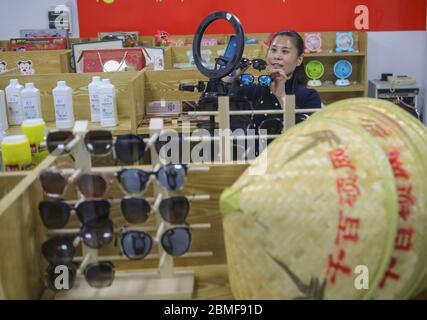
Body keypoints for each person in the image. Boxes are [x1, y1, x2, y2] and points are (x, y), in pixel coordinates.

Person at [225, 30, 322, 131]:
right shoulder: (250, 91)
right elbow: (228, 120)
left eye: (285, 51)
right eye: (273, 50)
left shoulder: (310, 96)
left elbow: (308, 133)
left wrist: (281, 96)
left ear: (299, 60)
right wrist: (230, 79)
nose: (277, 56)